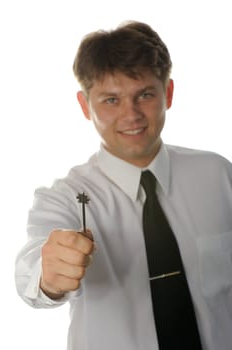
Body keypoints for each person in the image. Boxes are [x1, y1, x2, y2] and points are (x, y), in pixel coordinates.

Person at [15, 20, 232, 350]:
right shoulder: (62, 199)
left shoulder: (218, 174)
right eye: (111, 100)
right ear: (85, 105)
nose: (132, 115)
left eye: (144, 94)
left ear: (168, 93)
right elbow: (35, 270)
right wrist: (49, 275)